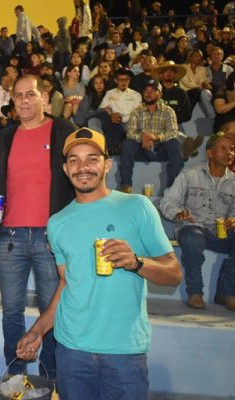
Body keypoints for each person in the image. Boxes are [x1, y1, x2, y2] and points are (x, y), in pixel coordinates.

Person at [16, 127, 182, 400]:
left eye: (92, 159)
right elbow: (66, 285)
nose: (83, 167)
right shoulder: (57, 223)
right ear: (65, 169)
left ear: (107, 164)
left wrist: (136, 262)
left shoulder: (137, 206)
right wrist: (38, 330)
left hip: (124, 350)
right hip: (71, 350)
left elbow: (174, 274)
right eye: (74, 160)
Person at [0, 74, 76, 379]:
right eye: (18, 95)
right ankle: (15, 373)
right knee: (11, 311)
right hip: (11, 237)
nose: (23, 100)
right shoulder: (5, 137)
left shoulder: (63, 131)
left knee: (52, 310)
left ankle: (50, 376)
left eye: (30, 94)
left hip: (51, 238)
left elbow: (77, 178)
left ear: (44, 98)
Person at [160, 131, 235, 311]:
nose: (229, 153)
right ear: (210, 152)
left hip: (220, 233)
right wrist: (178, 213)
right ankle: (195, 292)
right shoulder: (189, 174)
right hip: (193, 228)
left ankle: (226, 292)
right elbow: (167, 202)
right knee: (192, 236)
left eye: (232, 149)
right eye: (223, 148)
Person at [119, 79, 183, 192]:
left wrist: (156, 138)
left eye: (153, 90)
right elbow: (130, 133)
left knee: (174, 143)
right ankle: (126, 186)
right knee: (127, 144)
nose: (148, 93)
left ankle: (173, 188)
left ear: (160, 94)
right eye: (146, 90)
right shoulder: (136, 111)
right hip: (142, 149)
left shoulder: (168, 111)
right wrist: (143, 137)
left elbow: (173, 132)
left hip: (161, 149)